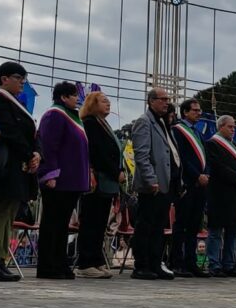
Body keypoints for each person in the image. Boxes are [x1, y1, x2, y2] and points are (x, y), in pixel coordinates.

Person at [0, 62, 40, 282]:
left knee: (9, 212)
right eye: (18, 77)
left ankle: (0, 258)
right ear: (4, 78)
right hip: (8, 165)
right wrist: (28, 153)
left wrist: (36, 153)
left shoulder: (17, 103)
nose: (22, 82)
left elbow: (32, 133)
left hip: (21, 165)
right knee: (0, 211)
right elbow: (9, 131)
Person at [36, 81, 90, 279]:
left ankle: (60, 263)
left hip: (72, 180)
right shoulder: (54, 115)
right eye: (74, 95)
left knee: (62, 225)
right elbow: (49, 146)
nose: (77, 98)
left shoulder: (72, 116)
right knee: (52, 224)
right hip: (59, 180)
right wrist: (50, 173)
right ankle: (47, 265)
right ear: (63, 97)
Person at [131, 87, 180, 280]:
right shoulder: (145, 122)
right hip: (152, 185)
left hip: (165, 184)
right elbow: (142, 154)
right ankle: (141, 265)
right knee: (146, 225)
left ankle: (154, 263)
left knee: (159, 227)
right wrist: (151, 179)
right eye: (163, 99)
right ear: (151, 101)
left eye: (168, 99)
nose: (166, 102)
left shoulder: (162, 123)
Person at [76, 91, 124, 279]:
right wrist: (115, 171)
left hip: (108, 181)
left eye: (109, 101)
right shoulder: (90, 124)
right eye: (104, 101)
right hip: (98, 179)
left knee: (100, 222)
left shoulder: (103, 124)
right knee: (91, 221)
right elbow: (98, 152)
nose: (108, 104)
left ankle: (96, 260)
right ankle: (85, 262)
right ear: (92, 104)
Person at [205, 115, 236, 278]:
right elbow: (218, 167)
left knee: (233, 231)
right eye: (230, 127)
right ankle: (214, 264)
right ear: (221, 127)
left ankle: (229, 265)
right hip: (219, 193)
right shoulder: (212, 144)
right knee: (216, 231)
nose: (233, 130)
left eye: (234, 127)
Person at [169, 99, 210, 278]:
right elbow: (182, 157)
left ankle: (191, 262)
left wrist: (206, 174)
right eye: (194, 110)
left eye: (200, 110)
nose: (198, 113)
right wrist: (196, 175)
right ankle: (177, 262)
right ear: (185, 112)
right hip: (186, 183)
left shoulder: (199, 133)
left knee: (194, 226)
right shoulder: (178, 130)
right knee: (182, 224)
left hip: (201, 185)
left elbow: (205, 157)